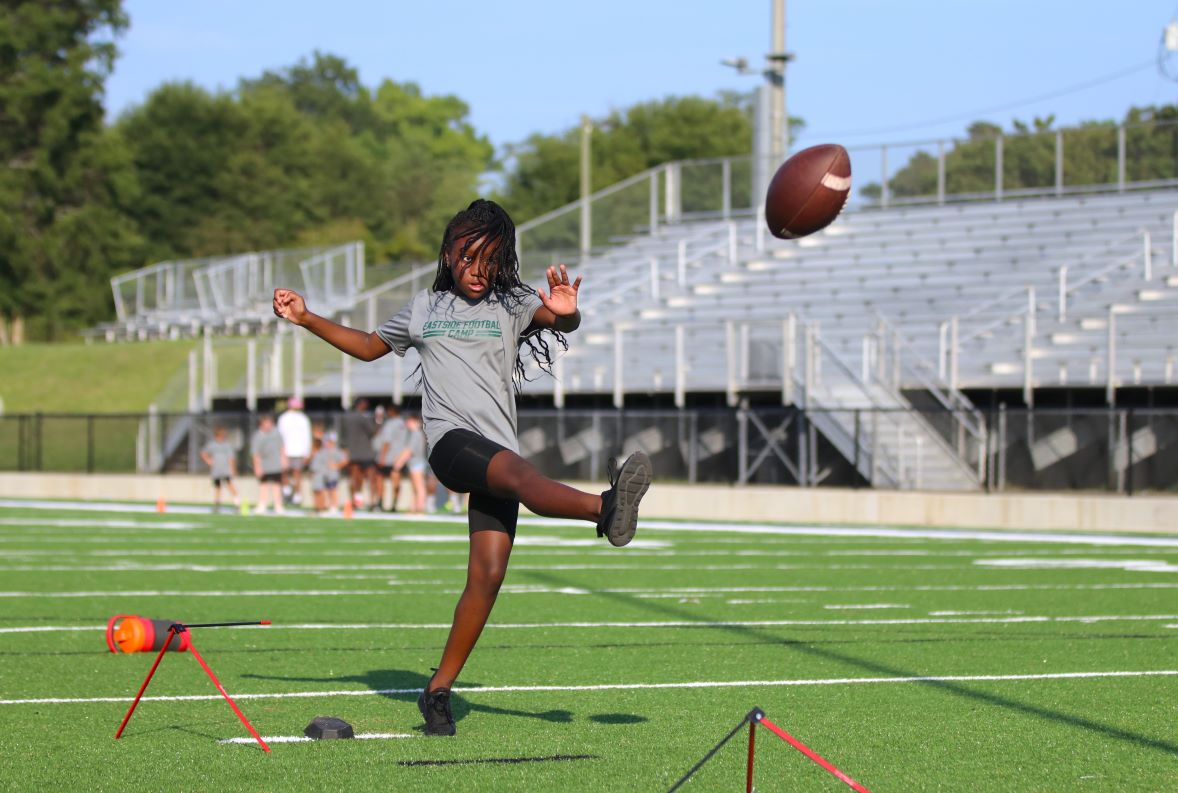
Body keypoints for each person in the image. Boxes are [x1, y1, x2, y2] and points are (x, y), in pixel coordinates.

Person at [273, 198, 651, 738]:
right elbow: (366, 347)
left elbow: (562, 319)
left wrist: (567, 309)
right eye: (469, 257)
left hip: (496, 453)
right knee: (522, 477)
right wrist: (305, 317)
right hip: (452, 446)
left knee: (488, 577)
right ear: (448, 254)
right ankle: (605, 507)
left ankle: (438, 691)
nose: (479, 270)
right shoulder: (425, 308)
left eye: (491, 260)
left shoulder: (512, 302)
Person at [340, 397, 377, 508]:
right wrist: (378, 422)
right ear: (360, 405)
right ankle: (373, 502)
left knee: (354, 477)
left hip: (352, 452)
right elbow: (372, 432)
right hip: (365, 452)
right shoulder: (363, 417)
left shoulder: (346, 417)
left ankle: (356, 500)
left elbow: (342, 437)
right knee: (371, 477)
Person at [277, 396, 312, 506]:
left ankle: (297, 494)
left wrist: (307, 452)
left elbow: (307, 436)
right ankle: (287, 490)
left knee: (296, 473)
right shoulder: (283, 418)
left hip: (298, 450)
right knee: (285, 472)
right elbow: (280, 436)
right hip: (286, 450)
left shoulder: (303, 419)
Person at [373, 404, 408, 512]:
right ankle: (394, 504)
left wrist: (382, 457)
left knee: (379, 478)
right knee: (396, 480)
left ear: (392, 411)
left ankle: (380, 503)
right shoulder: (404, 423)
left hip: (388, 457)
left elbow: (387, 442)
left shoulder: (390, 424)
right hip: (399, 457)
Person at [393, 413, 429, 513]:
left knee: (419, 487)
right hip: (413, 463)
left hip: (417, 463)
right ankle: (414, 508)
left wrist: (399, 462)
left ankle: (420, 509)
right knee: (414, 488)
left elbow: (409, 450)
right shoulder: (413, 434)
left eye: (409, 421)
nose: (407, 423)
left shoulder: (416, 433)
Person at [250, 414, 286, 514]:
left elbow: (282, 447)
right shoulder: (258, 436)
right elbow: (255, 453)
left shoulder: (276, 433)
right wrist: (257, 466)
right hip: (264, 464)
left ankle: (278, 505)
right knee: (263, 485)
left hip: (275, 463)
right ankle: (262, 505)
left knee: (277, 485)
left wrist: (284, 459)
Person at [200, 426, 239, 512]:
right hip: (216, 470)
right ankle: (217, 505)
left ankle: (237, 504)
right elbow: (203, 453)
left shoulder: (227, 445)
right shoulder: (212, 445)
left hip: (225, 470)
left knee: (230, 486)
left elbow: (231, 458)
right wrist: (209, 461)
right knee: (218, 487)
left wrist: (232, 469)